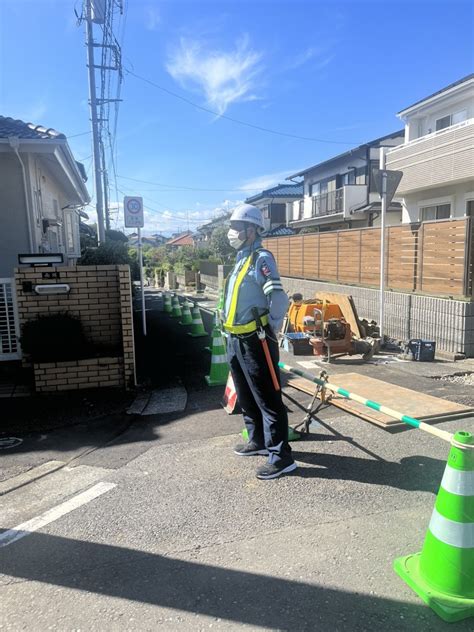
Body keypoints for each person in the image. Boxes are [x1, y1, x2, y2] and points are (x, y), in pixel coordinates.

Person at [222, 204, 296, 480]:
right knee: (246, 393)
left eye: (238, 227)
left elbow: (278, 298)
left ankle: (281, 457)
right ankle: (258, 441)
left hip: (256, 339)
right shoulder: (242, 258)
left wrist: (270, 327)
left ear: (252, 230)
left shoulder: (261, 259)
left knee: (267, 397)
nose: (233, 232)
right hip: (235, 339)